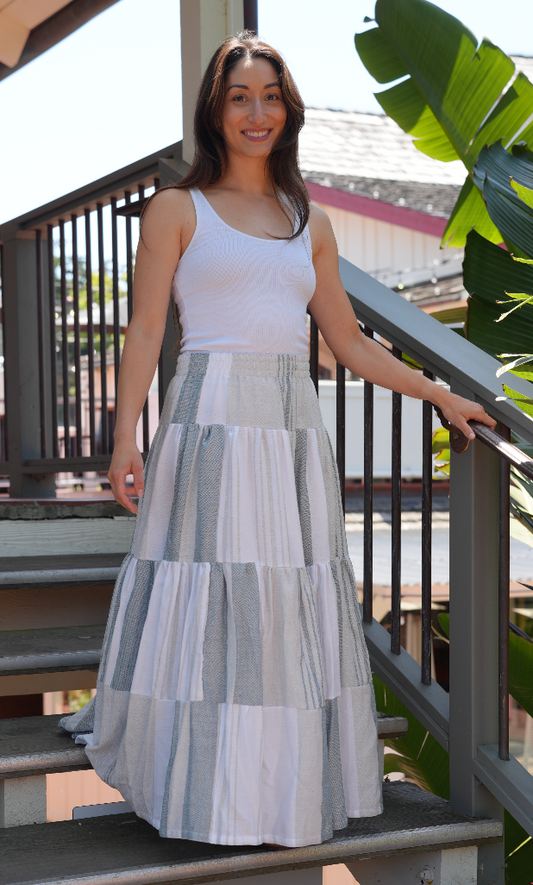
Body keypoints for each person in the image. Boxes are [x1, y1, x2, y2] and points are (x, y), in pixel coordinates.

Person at [60, 32, 496, 848]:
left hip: (290, 426)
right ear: (214, 112)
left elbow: (351, 343)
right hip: (209, 420)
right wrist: (126, 439)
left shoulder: (311, 221)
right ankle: (193, 785)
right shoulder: (176, 209)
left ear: (286, 110)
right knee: (211, 597)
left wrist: (438, 392)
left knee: (279, 605)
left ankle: (268, 791)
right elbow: (147, 328)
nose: (255, 112)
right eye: (238, 97)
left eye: (269, 96)